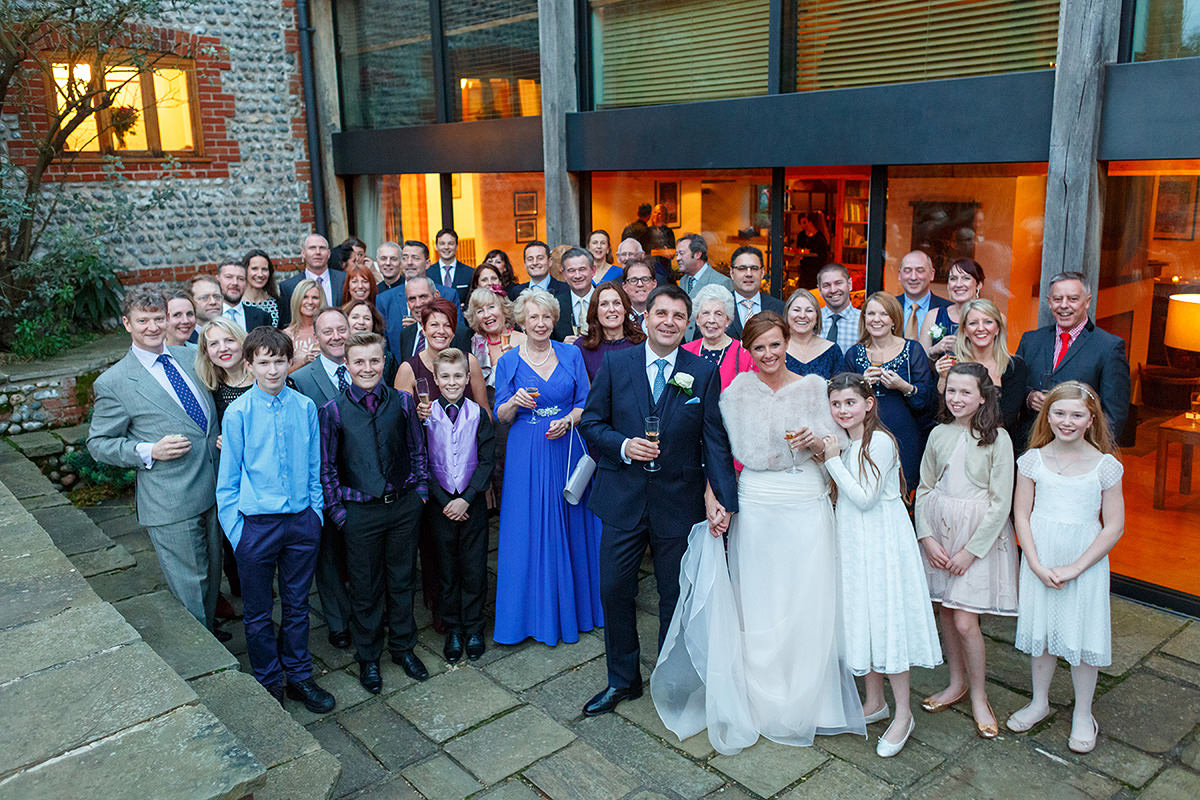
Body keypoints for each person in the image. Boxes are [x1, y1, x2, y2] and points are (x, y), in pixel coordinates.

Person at [650, 312, 862, 753]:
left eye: (775, 345)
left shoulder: (812, 389)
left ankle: (811, 698)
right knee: (760, 596)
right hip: (758, 501)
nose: (768, 354)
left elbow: (835, 447)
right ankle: (762, 694)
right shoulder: (733, 394)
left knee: (806, 595)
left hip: (804, 498)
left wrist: (817, 444)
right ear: (747, 350)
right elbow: (717, 452)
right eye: (759, 347)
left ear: (788, 343)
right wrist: (714, 497)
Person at [580, 284, 739, 716]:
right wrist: (624, 446)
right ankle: (622, 681)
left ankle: (669, 680)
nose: (669, 322)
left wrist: (723, 498)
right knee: (614, 589)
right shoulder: (616, 364)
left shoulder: (701, 372)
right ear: (644, 316)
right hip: (622, 498)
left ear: (686, 324)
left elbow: (714, 441)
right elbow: (591, 424)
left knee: (674, 595)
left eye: (678, 316)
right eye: (661, 313)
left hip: (678, 500)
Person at [88, 286, 222, 634]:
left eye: (158, 319)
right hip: (170, 501)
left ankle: (209, 636)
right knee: (190, 589)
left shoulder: (191, 357)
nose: (152, 327)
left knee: (211, 579)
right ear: (126, 323)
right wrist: (148, 451)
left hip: (213, 489)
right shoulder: (114, 382)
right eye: (142, 320)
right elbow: (99, 444)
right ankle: (208, 664)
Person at [216, 326, 335, 713]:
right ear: (249, 365)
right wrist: (238, 532)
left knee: (299, 605)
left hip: (301, 522)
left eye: (279, 361)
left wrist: (315, 514)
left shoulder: (303, 408)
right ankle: (269, 680)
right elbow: (228, 479)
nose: (272, 370)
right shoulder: (238, 413)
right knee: (257, 613)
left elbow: (316, 466)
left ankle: (299, 675)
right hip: (256, 527)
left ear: (289, 362)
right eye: (264, 363)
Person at [823, 373, 942, 758]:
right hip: (855, 541)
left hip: (882, 541)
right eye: (836, 403)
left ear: (869, 403)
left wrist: (830, 461)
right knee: (863, 618)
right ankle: (875, 702)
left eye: (850, 403)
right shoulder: (847, 442)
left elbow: (864, 497)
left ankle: (904, 713)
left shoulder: (882, 443)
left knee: (887, 621)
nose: (843, 410)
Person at [1007, 381, 1124, 755]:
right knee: (1042, 631)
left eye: (1076, 415)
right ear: (1048, 415)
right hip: (1041, 556)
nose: (1067, 421)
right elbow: (1021, 513)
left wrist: (1076, 567)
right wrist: (1035, 562)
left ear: (1091, 419)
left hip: (1084, 560)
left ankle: (1083, 713)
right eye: (1059, 413)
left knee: (1083, 634)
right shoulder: (1032, 461)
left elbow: (1114, 525)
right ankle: (1039, 701)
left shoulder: (1106, 466)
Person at [319, 331, 431, 689]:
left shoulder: (401, 402)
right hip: (359, 513)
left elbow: (417, 448)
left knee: (402, 580)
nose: (367, 368)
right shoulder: (333, 411)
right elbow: (327, 467)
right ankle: (368, 656)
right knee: (366, 587)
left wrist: (421, 494)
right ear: (347, 366)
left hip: (402, 507)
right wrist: (339, 513)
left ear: (384, 362)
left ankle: (403, 647)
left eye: (374, 360)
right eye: (359, 362)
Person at [492, 288, 603, 646]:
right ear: (521, 321)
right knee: (529, 528)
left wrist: (570, 420)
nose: (540, 323)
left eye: (546, 317)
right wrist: (513, 401)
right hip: (527, 450)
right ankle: (531, 616)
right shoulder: (508, 360)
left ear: (555, 320)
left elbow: (586, 403)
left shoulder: (571, 354)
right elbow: (500, 415)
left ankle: (579, 611)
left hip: (567, 447)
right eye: (533, 317)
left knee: (573, 524)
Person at [914, 363, 1017, 739]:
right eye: (951, 391)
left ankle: (978, 695)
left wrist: (970, 552)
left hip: (977, 541)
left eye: (965, 392)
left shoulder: (997, 439)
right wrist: (926, 537)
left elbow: (1000, 501)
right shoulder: (939, 433)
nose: (957, 399)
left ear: (983, 396)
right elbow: (924, 488)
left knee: (964, 620)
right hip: (941, 535)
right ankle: (955, 682)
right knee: (945, 610)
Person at [290, 307, 356, 651]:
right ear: (315, 337)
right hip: (323, 480)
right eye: (327, 332)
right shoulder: (301, 380)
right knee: (328, 556)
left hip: (363, 480)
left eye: (341, 329)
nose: (336, 337)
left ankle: (365, 613)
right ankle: (337, 622)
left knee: (361, 555)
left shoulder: (366, 368)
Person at [426, 348, 496, 663]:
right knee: (446, 568)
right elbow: (422, 462)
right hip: (439, 505)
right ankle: (452, 627)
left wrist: (466, 498)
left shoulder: (478, 414)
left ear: (468, 379)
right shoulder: (425, 416)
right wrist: (445, 501)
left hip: (472, 504)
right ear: (436, 380)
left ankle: (473, 627)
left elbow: (486, 460)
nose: (452, 382)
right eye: (446, 377)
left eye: (458, 376)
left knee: (473, 567)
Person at [1015, 271, 1131, 444]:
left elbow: (1114, 413)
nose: (1064, 305)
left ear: (1087, 301)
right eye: (1057, 299)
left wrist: (1094, 452)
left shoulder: (1109, 347)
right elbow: (1013, 387)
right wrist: (1029, 397)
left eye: (1073, 299)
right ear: (1049, 302)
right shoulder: (1030, 340)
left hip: (1079, 451)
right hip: (1029, 446)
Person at [843, 291, 934, 493]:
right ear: (864, 318)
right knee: (865, 489)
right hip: (864, 435)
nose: (877, 319)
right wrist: (861, 384)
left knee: (900, 493)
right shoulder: (853, 353)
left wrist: (903, 386)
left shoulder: (912, 350)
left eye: (883, 314)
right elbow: (842, 399)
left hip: (904, 435)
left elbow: (926, 400)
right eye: (871, 314)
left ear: (894, 319)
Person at [195, 317, 252, 622]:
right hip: (230, 478)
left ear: (242, 341)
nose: (223, 348)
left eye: (228, 340)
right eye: (213, 344)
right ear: (206, 352)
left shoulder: (264, 374)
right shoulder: (209, 388)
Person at [465, 287, 524, 501]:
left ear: (504, 309)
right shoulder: (472, 345)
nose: (487, 314)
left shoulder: (522, 340)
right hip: (485, 424)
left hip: (518, 422)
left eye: (492, 307)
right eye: (480, 310)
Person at [934, 299, 1028, 433]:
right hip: (955, 439)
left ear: (998, 329)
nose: (981, 328)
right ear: (965, 330)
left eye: (988, 322)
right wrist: (942, 379)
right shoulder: (952, 363)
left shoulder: (1014, 366)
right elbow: (940, 414)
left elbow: (1008, 417)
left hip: (995, 442)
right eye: (973, 323)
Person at [394, 297, 488, 406]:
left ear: (454, 331)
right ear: (423, 329)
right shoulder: (408, 370)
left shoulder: (470, 362)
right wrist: (418, 415)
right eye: (434, 325)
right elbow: (402, 418)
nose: (441, 331)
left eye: (447, 326)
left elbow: (484, 412)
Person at [682, 284, 754, 391]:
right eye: (706, 313)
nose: (711, 320)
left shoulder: (745, 354)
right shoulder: (684, 352)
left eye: (718, 314)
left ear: (728, 320)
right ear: (697, 319)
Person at [574, 281, 645, 381]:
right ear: (596, 311)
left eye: (617, 303)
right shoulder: (582, 347)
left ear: (625, 309)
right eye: (604, 304)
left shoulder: (641, 344)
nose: (612, 309)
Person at [919, 258, 984, 358]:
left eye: (966, 278)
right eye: (953, 278)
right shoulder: (933, 315)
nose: (958, 284)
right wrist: (934, 350)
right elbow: (920, 362)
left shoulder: (991, 319)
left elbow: (995, 360)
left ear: (978, 285)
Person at [279, 233, 346, 327]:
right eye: (312, 248)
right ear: (303, 253)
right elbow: (286, 322)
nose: (317, 252)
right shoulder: (289, 287)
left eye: (322, 248)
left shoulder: (345, 279)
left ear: (329, 253)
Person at [514, 240, 574, 340]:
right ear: (525, 264)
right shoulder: (516, 292)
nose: (535, 263)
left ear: (550, 261)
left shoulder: (566, 289)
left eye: (540, 258)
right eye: (530, 259)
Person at [726, 245, 784, 339]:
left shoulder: (780, 309)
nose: (749, 274)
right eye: (742, 268)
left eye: (754, 268)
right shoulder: (719, 307)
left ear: (762, 273)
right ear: (732, 273)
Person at [784, 289, 841, 379]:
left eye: (809, 311)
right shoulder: (775, 348)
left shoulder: (832, 350)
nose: (802, 315)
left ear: (817, 317)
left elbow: (840, 389)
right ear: (787, 314)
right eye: (796, 310)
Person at [897, 250, 951, 342]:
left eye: (920, 270)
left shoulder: (948, 309)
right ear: (899, 274)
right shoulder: (887, 307)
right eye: (907, 271)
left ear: (932, 274)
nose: (913, 277)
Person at [344, 299, 399, 387]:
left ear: (373, 324)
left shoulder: (388, 359)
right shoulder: (338, 354)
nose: (361, 322)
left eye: (367, 318)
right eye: (355, 317)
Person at [817, 263, 861, 356]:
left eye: (838, 283)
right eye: (826, 285)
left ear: (849, 284)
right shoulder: (812, 319)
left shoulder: (864, 321)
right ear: (820, 290)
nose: (833, 290)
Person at [218, 260, 273, 333]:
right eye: (229, 277)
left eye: (241, 278)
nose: (235, 283)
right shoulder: (208, 316)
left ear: (246, 283)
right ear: (217, 279)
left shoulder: (262, 317)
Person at [283, 279, 324, 371]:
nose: (310, 302)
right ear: (297, 299)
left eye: (315, 298)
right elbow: (282, 373)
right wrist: (303, 362)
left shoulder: (330, 332)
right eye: (305, 297)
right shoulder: (287, 335)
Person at [675, 234, 731, 299]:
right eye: (677, 254)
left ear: (697, 254)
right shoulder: (683, 280)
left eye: (681, 253)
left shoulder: (721, 282)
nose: (677, 258)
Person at [428, 228, 474, 305]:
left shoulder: (470, 273)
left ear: (457, 246)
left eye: (450, 243)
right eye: (442, 243)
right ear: (436, 246)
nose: (446, 247)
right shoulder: (427, 274)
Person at [562, 247, 597, 342]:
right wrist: (561, 346)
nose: (577, 275)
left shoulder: (606, 299)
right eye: (571, 270)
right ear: (564, 275)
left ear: (593, 271)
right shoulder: (556, 304)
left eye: (582, 269)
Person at [242, 249, 281, 326]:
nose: (260, 274)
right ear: (245, 270)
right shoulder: (236, 304)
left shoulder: (277, 304)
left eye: (264, 269)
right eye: (254, 269)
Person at [794, 212, 831, 288]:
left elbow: (823, 256)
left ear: (811, 222)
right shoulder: (801, 235)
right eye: (802, 223)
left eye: (806, 222)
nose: (804, 225)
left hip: (816, 270)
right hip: (804, 269)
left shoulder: (820, 238)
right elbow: (798, 249)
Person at [622, 257, 656, 330]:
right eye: (633, 280)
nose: (640, 284)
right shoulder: (619, 318)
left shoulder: (664, 317)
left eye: (645, 279)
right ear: (624, 286)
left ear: (654, 283)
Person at [646, 204, 677, 280]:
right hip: (651, 269)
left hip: (665, 269)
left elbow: (672, 252)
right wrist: (659, 252)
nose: (656, 215)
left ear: (664, 216)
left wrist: (667, 252)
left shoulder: (669, 232)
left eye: (659, 213)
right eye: (655, 212)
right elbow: (646, 251)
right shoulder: (647, 231)